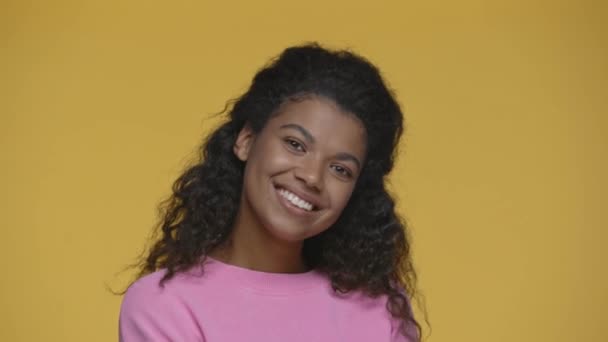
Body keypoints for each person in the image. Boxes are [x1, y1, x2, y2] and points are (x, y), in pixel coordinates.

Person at [118, 43, 422, 341]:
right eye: (295, 145)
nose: (312, 177)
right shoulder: (164, 306)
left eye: (340, 169)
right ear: (246, 139)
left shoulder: (381, 306)